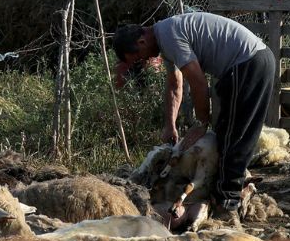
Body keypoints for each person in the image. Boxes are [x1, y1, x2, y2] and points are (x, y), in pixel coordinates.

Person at [113, 12, 277, 228]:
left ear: (141, 41)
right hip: (246, 64)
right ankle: (221, 195)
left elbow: (198, 83)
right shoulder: (165, 39)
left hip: (247, 63)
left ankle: (227, 206)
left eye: (139, 57)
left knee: (236, 137)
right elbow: (174, 85)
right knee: (226, 132)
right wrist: (170, 124)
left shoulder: (170, 37)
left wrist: (201, 123)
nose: (143, 61)